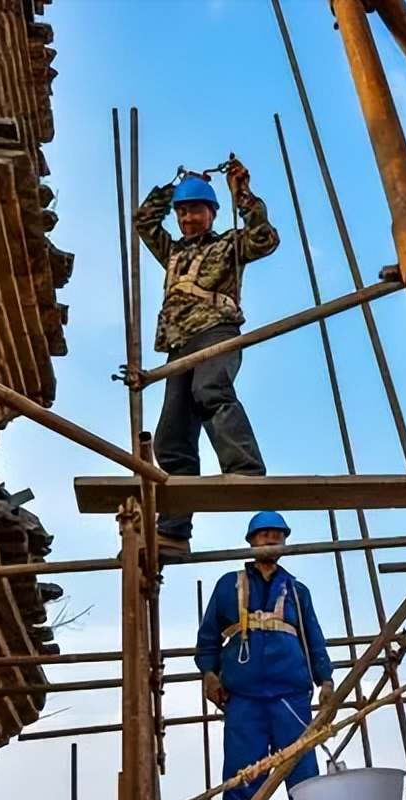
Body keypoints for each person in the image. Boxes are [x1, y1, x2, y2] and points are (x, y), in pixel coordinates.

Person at [134, 158, 280, 560]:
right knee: (172, 431)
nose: (187, 217)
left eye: (194, 209)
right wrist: (175, 185)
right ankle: (175, 531)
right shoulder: (174, 254)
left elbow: (265, 239)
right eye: (182, 211)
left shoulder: (229, 245)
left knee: (210, 388)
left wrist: (243, 194)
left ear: (211, 213)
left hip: (216, 331)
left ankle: (246, 471)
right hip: (180, 342)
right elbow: (144, 223)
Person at [195, 511, 335, 800]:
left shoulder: (297, 591)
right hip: (243, 698)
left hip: (290, 695)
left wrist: (326, 681)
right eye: (263, 534)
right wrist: (209, 674)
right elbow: (209, 636)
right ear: (251, 541)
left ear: (284, 541)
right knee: (242, 777)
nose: (271, 540)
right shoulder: (228, 585)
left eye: (277, 535)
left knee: (303, 776)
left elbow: (313, 637)